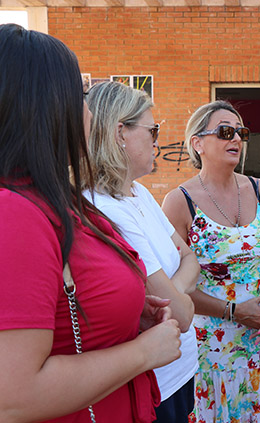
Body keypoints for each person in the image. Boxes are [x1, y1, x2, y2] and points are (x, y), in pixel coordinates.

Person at [0, 24, 181, 422]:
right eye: (82, 95)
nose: (90, 111)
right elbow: (13, 395)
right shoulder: (15, 213)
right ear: (48, 105)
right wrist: (142, 353)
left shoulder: (51, 198)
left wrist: (127, 311)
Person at [162, 100, 260, 422]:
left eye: (240, 132)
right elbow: (170, 287)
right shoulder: (179, 202)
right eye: (224, 132)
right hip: (213, 351)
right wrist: (233, 311)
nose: (236, 139)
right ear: (197, 143)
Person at [83, 81, 201, 423]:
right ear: (120, 132)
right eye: (153, 130)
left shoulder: (139, 193)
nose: (158, 141)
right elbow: (181, 315)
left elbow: (191, 258)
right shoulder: (106, 210)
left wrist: (173, 294)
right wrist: (180, 299)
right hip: (156, 384)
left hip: (179, 369)